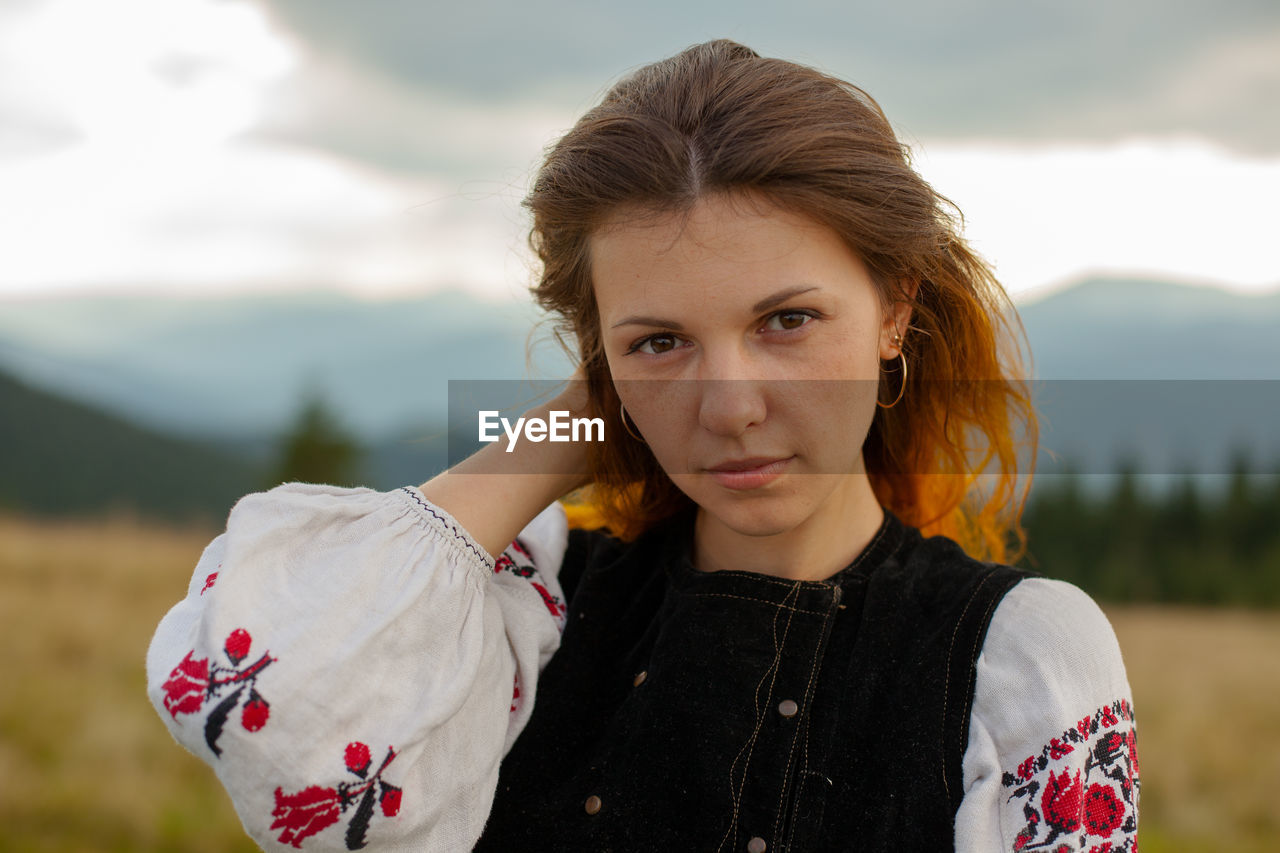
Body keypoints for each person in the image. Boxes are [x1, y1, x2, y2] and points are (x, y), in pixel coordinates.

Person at [146, 39, 1139, 852]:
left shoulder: (1019, 655)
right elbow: (263, 710)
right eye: (658, 341)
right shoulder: (522, 608)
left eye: (785, 321)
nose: (730, 407)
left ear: (892, 311)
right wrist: (567, 433)